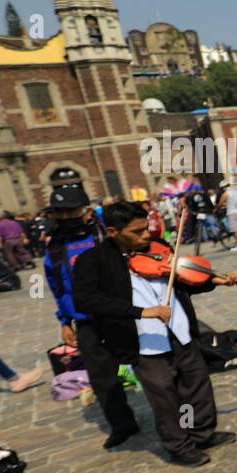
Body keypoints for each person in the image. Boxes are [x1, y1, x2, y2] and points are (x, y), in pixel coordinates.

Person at [72, 200, 237, 466]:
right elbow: (86, 300)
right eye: (136, 232)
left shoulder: (159, 247)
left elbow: (183, 282)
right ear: (113, 232)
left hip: (180, 331)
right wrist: (139, 312)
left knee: (197, 387)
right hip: (144, 341)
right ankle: (179, 446)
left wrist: (213, 281)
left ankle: (201, 433)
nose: (146, 235)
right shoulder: (92, 261)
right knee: (165, 398)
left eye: (146, 228)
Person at [43, 182, 140, 448]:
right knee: (101, 376)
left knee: (146, 365)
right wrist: (64, 321)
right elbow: (57, 286)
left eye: (70, 212)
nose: (65, 218)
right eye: (59, 213)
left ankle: (173, 413)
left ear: (87, 211)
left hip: (120, 313)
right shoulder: (53, 247)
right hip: (85, 321)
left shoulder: (105, 235)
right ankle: (122, 425)